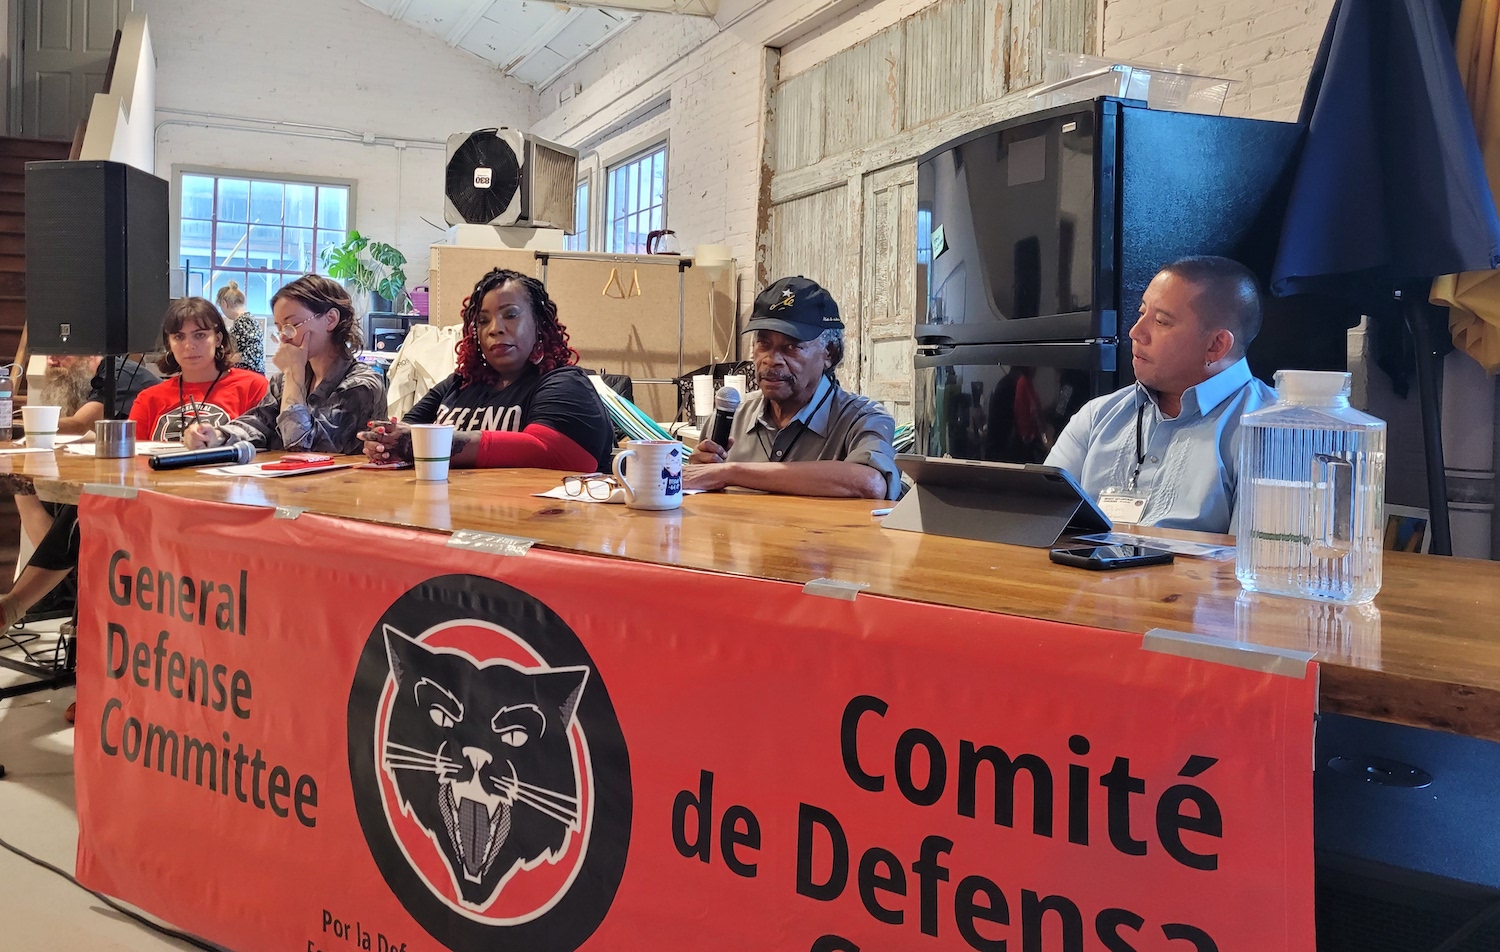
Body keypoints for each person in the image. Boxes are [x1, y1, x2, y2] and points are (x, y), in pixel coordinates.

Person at [1044, 256, 1277, 535]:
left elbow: (1255, 567)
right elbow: (1041, 524)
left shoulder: (1274, 431)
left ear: (1216, 345)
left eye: (1161, 322)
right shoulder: (1097, 416)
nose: (1135, 332)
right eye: (1141, 313)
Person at [361, 268, 613, 472]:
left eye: (510, 315)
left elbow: (552, 453)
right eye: (483, 320)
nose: (495, 328)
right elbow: (404, 434)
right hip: (449, 515)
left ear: (539, 324)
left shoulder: (564, 383)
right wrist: (384, 443)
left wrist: (425, 445)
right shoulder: (457, 385)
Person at [684, 276, 900, 499]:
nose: (771, 360)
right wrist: (702, 476)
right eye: (763, 344)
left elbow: (870, 483)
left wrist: (731, 472)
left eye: (791, 346)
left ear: (830, 353)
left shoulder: (862, 418)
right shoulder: (731, 418)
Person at [185, 275, 385, 455]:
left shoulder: (362, 384)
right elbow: (260, 421)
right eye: (279, 328)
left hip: (339, 492)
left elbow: (301, 445)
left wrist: (294, 374)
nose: (283, 337)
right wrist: (218, 436)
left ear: (330, 319)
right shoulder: (284, 380)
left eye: (291, 325)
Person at [129, 297, 270, 441]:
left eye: (200, 335)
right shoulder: (148, 400)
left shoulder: (253, 387)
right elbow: (132, 458)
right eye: (179, 337)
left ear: (218, 339)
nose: (189, 346)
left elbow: (269, 451)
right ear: (169, 344)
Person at [46, 353, 162, 435]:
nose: (50, 361)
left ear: (89, 352)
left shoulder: (117, 374)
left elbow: (81, 426)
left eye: (59, 353)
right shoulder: (84, 380)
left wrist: (30, 425)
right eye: (47, 355)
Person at [219, 280, 265, 375]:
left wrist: (231, 358)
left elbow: (255, 350)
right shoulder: (245, 321)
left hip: (250, 377)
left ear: (224, 304)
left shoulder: (244, 321)